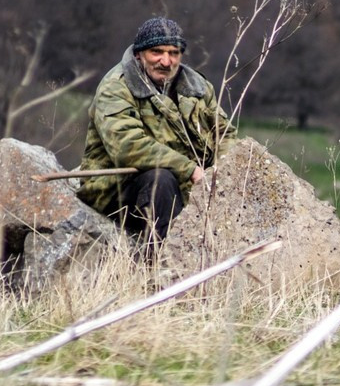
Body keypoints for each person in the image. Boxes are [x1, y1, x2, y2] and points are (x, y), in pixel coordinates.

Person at [76, 17, 234, 241]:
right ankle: (159, 263)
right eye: (157, 52)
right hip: (116, 187)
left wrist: (224, 173)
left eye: (174, 53)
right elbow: (127, 147)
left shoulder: (197, 87)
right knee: (161, 180)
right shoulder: (116, 87)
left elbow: (225, 134)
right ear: (139, 54)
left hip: (185, 187)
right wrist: (189, 170)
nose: (166, 61)